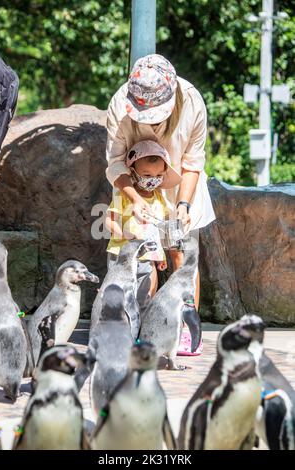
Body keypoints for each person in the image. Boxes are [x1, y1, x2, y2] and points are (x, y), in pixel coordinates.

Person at [105, 54, 216, 354]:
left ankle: (185, 327)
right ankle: (145, 325)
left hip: (181, 182)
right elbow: (115, 164)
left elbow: (193, 162)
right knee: (144, 260)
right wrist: (137, 199)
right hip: (137, 183)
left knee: (181, 255)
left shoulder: (192, 102)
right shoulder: (119, 105)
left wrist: (183, 205)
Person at [105, 139, 182, 298]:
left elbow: (158, 229)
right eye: (147, 175)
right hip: (122, 255)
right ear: (132, 171)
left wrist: (160, 255)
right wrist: (126, 235)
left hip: (148, 258)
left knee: (147, 293)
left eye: (159, 175)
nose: (153, 179)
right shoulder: (124, 196)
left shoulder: (160, 200)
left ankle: (142, 320)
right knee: (119, 294)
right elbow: (109, 221)